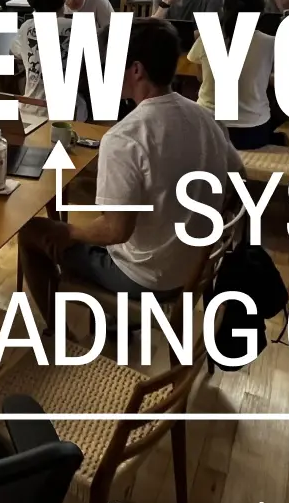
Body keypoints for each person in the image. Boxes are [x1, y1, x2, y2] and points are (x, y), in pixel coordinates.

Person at [17, 19, 244, 335]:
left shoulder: (125, 137)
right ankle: (109, 320)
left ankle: (61, 335)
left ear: (136, 70)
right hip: (196, 263)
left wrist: (67, 231)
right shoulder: (203, 116)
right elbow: (239, 179)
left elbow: (116, 231)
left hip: (148, 277)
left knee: (32, 232)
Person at [188, 0, 278, 150]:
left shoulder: (208, 37)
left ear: (225, 8)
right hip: (251, 133)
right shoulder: (270, 43)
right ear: (261, 13)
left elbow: (200, 77)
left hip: (207, 129)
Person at [8, 0, 82, 126]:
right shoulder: (77, 27)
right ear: (63, 0)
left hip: (29, 112)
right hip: (66, 117)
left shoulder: (26, 27)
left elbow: (14, 52)